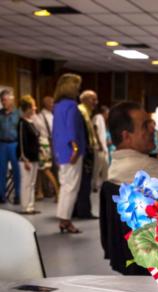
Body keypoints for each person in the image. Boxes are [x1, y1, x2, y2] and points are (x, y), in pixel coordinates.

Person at [52, 73, 86, 234]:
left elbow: (57, 130)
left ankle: (62, 219)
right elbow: (71, 128)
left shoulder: (57, 105)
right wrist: (76, 149)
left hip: (60, 150)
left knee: (65, 185)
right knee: (71, 187)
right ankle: (66, 220)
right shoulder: (71, 106)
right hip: (71, 150)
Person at [108, 101, 158, 188]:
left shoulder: (114, 168)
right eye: (145, 125)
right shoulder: (151, 169)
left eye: (151, 123)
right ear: (126, 136)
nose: (152, 129)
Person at [73, 90, 98, 219]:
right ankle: (83, 211)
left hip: (86, 151)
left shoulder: (85, 113)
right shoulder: (81, 112)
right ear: (85, 100)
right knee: (84, 182)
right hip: (84, 152)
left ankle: (79, 209)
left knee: (83, 182)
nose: (95, 102)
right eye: (93, 99)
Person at [17, 95, 40, 214]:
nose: (35, 108)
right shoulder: (22, 123)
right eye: (33, 106)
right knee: (26, 183)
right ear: (28, 108)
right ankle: (25, 206)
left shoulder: (32, 122)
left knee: (32, 183)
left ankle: (31, 206)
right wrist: (24, 158)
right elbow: (22, 142)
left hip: (34, 157)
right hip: (26, 158)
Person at [33, 95, 59, 201]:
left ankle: (56, 191)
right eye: (51, 103)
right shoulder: (39, 116)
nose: (53, 105)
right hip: (44, 144)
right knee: (42, 169)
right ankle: (40, 191)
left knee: (47, 168)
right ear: (46, 104)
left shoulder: (52, 116)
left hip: (50, 143)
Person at [0, 89, 21, 204]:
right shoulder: (0, 114)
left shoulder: (18, 113)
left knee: (17, 171)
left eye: (5, 100)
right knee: (1, 171)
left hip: (15, 144)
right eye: (2, 100)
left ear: (11, 100)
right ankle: (1, 195)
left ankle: (18, 195)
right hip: (2, 144)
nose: (3, 102)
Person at [92, 104, 109, 192]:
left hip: (103, 147)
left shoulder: (102, 120)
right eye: (107, 113)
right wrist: (100, 144)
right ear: (104, 112)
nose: (108, 115)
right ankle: (94, 185)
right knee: (98, 167)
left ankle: (104, 184)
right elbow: (95, 129)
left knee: (105, 166)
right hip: (99, 147)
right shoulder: (98, 117)